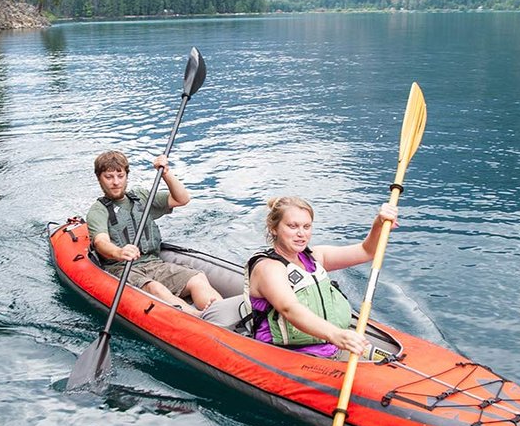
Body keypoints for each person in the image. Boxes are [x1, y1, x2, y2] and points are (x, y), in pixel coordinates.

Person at [244, 196, 398, 357]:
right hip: (288, 353)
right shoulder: (268, 268)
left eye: (306, 226)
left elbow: (367, 251)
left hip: (328, 346)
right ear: (274, 228)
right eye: (292, 226)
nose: (301, 233)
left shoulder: (315, 257)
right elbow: (289, 308)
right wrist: (335, 335)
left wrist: (378, 225)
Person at [86, 150, 224, 312]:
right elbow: (100, 242)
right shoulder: (98, 211)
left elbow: (182, 199)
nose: (116, 182)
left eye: (120, 176)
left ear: (126, 176)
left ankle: (221, 313)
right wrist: (119, 252)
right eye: (109, 177)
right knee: (156, 288)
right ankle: (198, 317)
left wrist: (166, 174)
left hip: (154, 263)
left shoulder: (141, 197)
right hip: (122, 269)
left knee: (198, 278)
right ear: (99, 178)